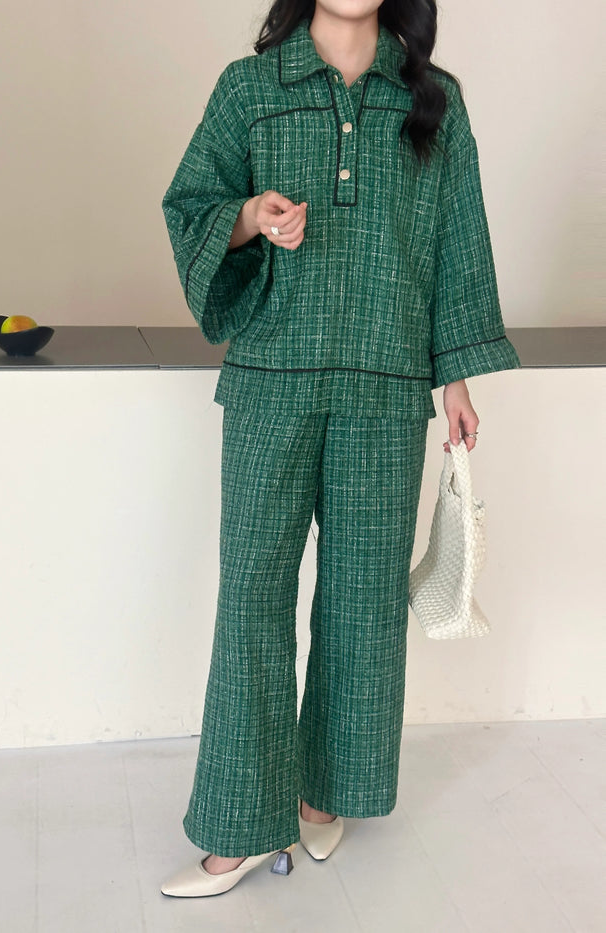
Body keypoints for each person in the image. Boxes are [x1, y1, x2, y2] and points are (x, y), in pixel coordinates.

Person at [160, 0, 521, 898]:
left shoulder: (434, 99)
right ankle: (239, 825)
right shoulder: (251, 88)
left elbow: (459, 241)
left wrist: (456, 378)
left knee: (363, 603)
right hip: (271, 379)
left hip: (388, 386)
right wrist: (250, 215)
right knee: (251, 597)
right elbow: (191, 205)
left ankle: (325, 794)